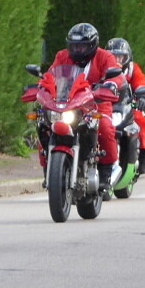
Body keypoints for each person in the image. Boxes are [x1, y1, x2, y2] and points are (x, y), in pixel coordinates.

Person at [46, 23, 122, 190]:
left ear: (93, 45)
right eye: (74, 46)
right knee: (44, 124)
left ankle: (106, 169)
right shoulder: (62, 56)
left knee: (105, 127)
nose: (77, 50)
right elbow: (51, 74)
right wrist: (43, 85)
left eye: (82, 46)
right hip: (68, 103)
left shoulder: (105, 57)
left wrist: (111, 84)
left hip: (97, 104)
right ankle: (48, 165)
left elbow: (116, 74)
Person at [106, 37, 145, 157]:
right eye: (113, 56)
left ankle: (143, 153)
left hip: (127, 105)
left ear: (127, 57)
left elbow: (141, 82)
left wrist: (143, 97)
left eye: (120, 57)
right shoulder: (101, 68)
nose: (117, 60)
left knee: (140, 119)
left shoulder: (132, 69)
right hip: (105, 105)